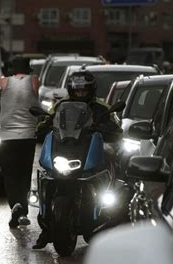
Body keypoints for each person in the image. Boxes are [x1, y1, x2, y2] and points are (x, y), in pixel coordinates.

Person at [32, 69, 123, 249]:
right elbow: (48, 121)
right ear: (71, 90)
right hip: (66, 149)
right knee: (48, 174)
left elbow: (115, 126)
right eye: (77, 90)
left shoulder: (102, 107)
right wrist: (42, 126)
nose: (80, 93)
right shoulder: (60, 105)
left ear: (91, 89)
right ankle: (47, 226)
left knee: (111, 156)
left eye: (84, 90)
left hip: (89, 149)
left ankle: (108, 203)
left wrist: (109, 128)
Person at [0, 56, 40, 228]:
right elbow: (36, 95)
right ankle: (22, 209)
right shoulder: (34, 80)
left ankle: (15, 205)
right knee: (24, 173)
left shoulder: (4, 81)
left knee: (10, 174)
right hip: (28, 135)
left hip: (7, 135)